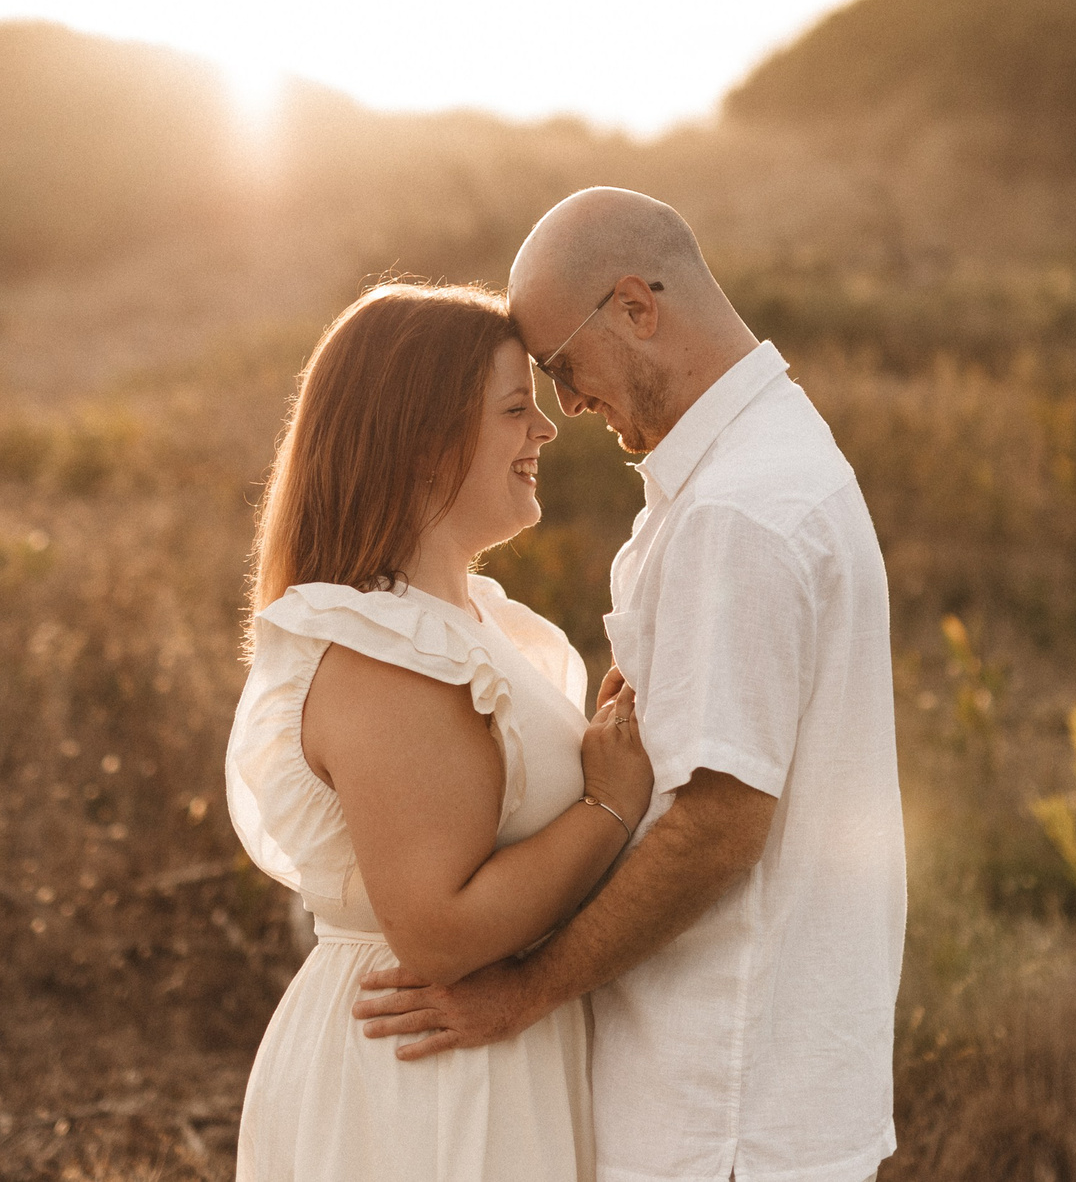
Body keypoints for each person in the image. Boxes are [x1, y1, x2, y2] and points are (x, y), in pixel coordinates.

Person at [353, 190, 907, 1182]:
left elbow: (717, 826)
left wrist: (526, 990)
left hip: (721, 1105)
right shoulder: (763, 463)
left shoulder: (736, 512)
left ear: (637, 308)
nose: (565, 406)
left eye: (563, 367)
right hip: (758, 1090)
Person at [225, 281, 654, 1182]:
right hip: (423, 1078)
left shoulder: (468, 627)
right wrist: (608, 805)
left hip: (484, 1055)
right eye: (514, 410)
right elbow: (439, 931)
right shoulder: (384, 649)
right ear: (422, 441)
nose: (544, 431)